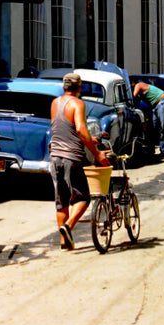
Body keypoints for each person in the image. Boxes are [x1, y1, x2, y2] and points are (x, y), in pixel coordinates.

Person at [49, 72, 110, 251]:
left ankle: (64, 241)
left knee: (62, 201)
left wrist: (93, 139)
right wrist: (97, 153)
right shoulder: (78, 103)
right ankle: (68, 227)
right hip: (72, 157)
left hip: (55, 157)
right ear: (80, 88)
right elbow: (81, 130)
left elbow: (65, 129)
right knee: (83, 197)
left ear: (64, 87)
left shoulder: (55, 103)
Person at [131, 78, 164, 157]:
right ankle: (151, 150)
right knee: (152, 127)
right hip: (156, 105)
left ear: (133, 83)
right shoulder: (141, 91)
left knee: (163, 127)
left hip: (162, 102)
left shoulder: (138, 85)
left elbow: (133, 96)